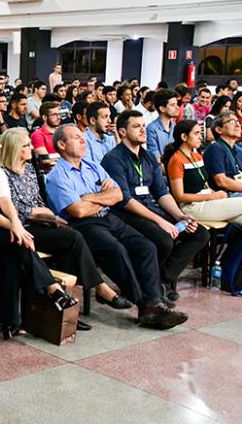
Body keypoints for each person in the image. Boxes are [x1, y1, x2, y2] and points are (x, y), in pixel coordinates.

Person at [46, 124, 188, 329]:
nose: (82, 140)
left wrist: (90, 198)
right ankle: (147, 305)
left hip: (108, 217)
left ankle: (153, 302)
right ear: (61, 144)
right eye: (76, 137)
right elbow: (77, 211)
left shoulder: (92, 165)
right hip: (82, 225)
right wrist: (103, 198)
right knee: (116, 249)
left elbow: (119, 194)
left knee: (146, 246)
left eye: (82, 136)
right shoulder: (57, 175)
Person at [0, 126, 78, 339]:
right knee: (16, 241)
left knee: (14, 252)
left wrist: (17, 225)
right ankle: (51, 288)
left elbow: (6, 201)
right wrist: (15, 227)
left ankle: (10, 322)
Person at [0, 127, 130, 318]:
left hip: (40, 221)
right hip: (19, 226)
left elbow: (38, 202)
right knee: (74, 237)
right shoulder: (3, 174)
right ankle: (98, 288)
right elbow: (16, 208)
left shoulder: (28, 169)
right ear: (14, 149)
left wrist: (51, 216)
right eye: (26, 145)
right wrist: (47, 214)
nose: (32, 148)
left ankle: (67, 314)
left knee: (70, 246)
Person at [102, 111, 209, 304]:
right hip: (126, 213)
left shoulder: (149, 157)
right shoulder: (113, 158)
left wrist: (180, 216)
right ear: (122, 132)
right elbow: (124, 199)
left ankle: (161, 280)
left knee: (200, 234)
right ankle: (151, 285)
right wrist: (161, 221)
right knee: (164, 239)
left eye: (144, 125)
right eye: (136, 126)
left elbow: (161, 192)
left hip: (151, 208)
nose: (143, 129)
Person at [164, 119, 242, 226]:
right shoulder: (176, 160)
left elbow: (204, 183)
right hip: (192, 207)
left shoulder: (198, 156)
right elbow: (179, 196)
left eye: (200, 133)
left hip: (208, 201)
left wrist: (214, 194)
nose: (201, 137)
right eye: (196, 134)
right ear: (184, 137)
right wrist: (212, 197)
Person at [204, 111, 242, 194]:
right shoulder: (214, 148)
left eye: (238, 122)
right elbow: (221, 181)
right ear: (218, 129)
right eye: (232, 121)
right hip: (226, 196)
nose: (238, 125)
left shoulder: (239, 148)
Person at [146, 90, 178, 162]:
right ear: (162, 108)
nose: (177, 107)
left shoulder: (175, 127)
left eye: (177, 104)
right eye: (173, 105)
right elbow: (156, 159)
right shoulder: (151, 129)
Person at [31, 101, 62, 171]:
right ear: (44, 117)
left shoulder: (62, 132)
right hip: (51, 174)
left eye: (59, 114)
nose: (58, 117)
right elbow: (45, 160)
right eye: (54, 115)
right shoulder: (38, 135)